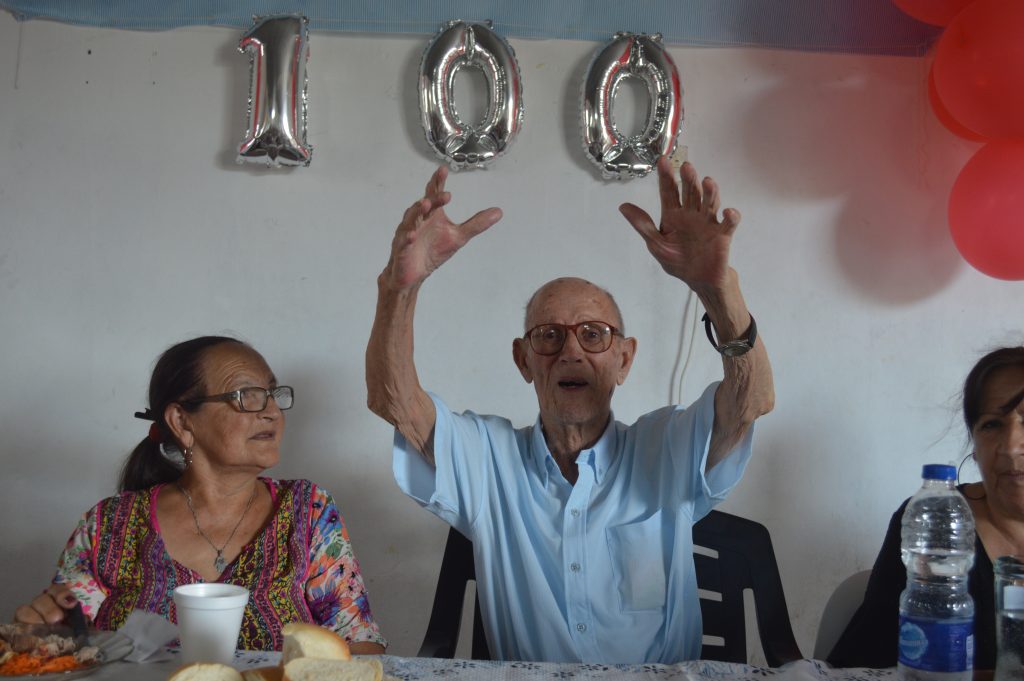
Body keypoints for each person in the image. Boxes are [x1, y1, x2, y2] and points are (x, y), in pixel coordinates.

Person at [365, 158, 773, 663]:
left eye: (594, 335)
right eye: (549, 336)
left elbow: (752, 401)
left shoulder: (666, 447)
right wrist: (399, 290)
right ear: (523, 360)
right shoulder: (488, 460)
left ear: (624, 360)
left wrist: (719, 292)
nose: (571, 352)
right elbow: (394, 401)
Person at [14, 336, 386, 654]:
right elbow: (70, 642)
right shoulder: (109, 525)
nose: (272, 411)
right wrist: (46, 630)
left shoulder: (308, 511)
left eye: (272, 394)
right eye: (248, 396)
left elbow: (360, 645)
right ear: (182, 421)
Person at [828, 346, 1024, 669]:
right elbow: (864, 662)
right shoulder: (936, 524)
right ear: (974, 447)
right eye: (992, 425)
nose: (1012, 445)